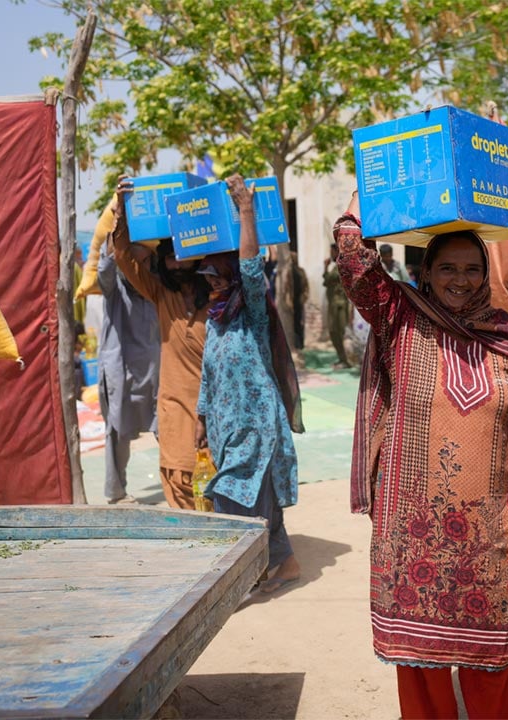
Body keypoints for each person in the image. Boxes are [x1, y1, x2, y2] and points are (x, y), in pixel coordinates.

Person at [336, 205, 508, 720]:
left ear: (486, 276)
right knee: (422, 670)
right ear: (426, 272)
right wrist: (370, 196)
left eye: (472, 269)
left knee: (498, 659)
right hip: (414, 532)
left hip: (492, 531)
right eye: (447, 268)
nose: (460, 281)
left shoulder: (506, 333)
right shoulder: (399, 315)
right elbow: (355, 262)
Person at [195, 174, 305, 595]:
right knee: (261, 503)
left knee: (233, 502)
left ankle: (237, 582)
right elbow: (208, 373)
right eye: (208, 277)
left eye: (219, 276)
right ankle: (285, 562)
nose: (214, 282)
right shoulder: (216, 320)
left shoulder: (252, 311)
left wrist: (245, 210)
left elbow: (250, 268)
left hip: (256, 428)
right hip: (226, 428)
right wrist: (201, 419)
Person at [110, 181, 210, 509]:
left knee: (216, 486)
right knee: (180, 479)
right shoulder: (160, 294)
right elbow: (125, 257)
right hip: (175, 409)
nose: (178, 266)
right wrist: (123, 212)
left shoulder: (221, 299)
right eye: (170, 260)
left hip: (217, 411)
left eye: (185, 258)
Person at [97, 241, 160, 504]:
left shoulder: (156, 288)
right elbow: (104, 270)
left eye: (145, 262)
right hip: (121, 372)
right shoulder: (114, 289)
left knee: (168, 427)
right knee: (117, 432)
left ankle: (180, 481)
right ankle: (116, 492)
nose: (139, 268)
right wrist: (117, 225)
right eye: (134, 261)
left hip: (156, 372)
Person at [322, 241, 352, 368]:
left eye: (332, 251)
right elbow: (326, 282)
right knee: (333, 332)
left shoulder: (341, 266)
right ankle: (342, 358)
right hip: (333, 304)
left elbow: (328, 280)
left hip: (339, 305)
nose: (330, 254)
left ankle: (346, 360)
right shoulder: (336, 266)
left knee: (339, 332)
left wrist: (325, 267)